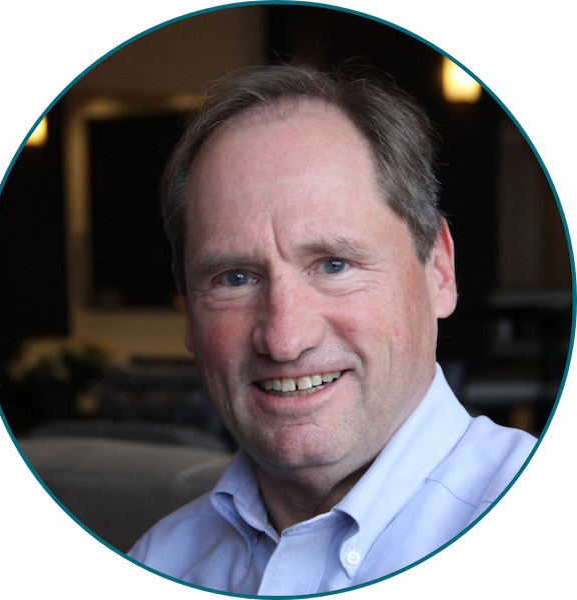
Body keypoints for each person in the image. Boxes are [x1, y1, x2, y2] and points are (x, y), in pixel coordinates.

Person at [127, 63, 537, 595]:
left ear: (438, 269)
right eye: (235, 278)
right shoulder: (162, 558)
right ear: (188, 309)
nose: (284, 339)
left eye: (334, 264)